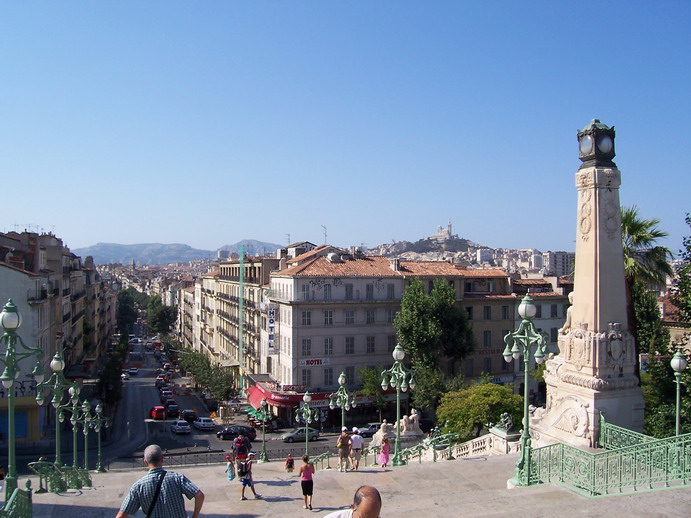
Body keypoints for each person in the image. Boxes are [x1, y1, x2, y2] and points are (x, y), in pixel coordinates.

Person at [116, 444, 204, 518]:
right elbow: (199, 495)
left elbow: (121, 516)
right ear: (162, 459)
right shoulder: (177, 478)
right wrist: (195, 516)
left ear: (145, 462)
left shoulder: (138, 487)